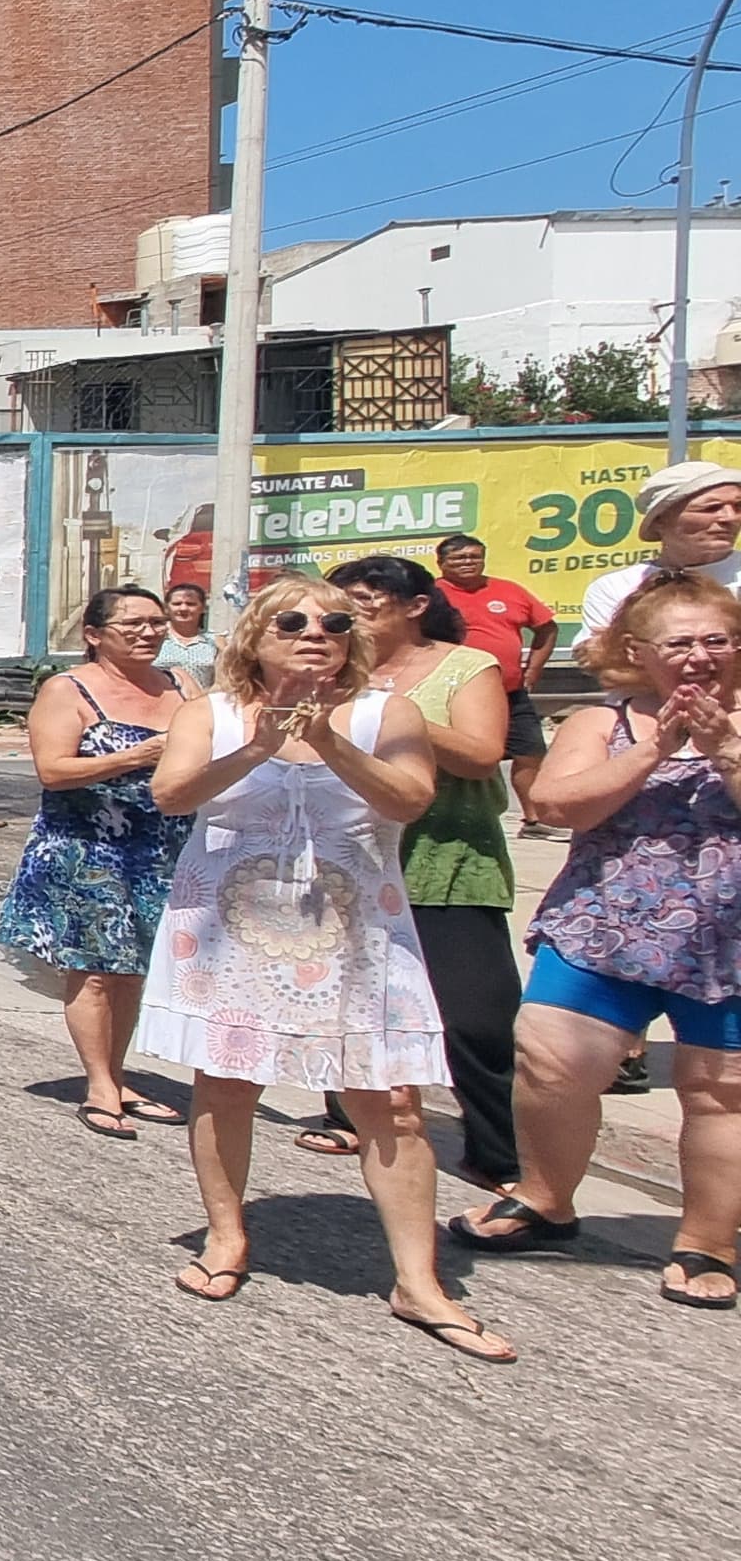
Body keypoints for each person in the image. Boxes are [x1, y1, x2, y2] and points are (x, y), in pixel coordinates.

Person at [137, 576, 508, 1361]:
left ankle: (418, 1282)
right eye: (293, 622)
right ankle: (227, 1236)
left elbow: (409, 800)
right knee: (228, 1081)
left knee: (392, 1099)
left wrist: (332, 741)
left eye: (335, 623)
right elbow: (171, 795)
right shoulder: (211, 713)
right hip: (232, 927)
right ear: (254, 639)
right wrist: (262, 745)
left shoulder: (387, 713)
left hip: (358, 933)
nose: (316, 632)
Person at [452, 570, 741, 1313]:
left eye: (717, 640)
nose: (700, 656)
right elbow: (553, 803)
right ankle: (546, 1202)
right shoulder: (597, 721)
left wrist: (725, 750)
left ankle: (709, 1240)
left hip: (728, 937)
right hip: (606, 925)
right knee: (549, 1062)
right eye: (680, 643)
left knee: (721, 1092)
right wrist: (657, 749)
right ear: (637, 650)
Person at [327, 554, 524, 1189]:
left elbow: (480, 755)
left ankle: (497, 1151)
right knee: (346, 999)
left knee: (475, 1017)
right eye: (342, 598)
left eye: (369, 595)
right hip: (350, 859)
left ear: (415, 605)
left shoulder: (464, 666)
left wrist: (390, 708)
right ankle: (348, 1114)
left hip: (446, 857)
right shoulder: (325, 666)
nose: (353, 608)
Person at [0, 586, 186, 1138]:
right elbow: (52, 770)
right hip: (87, 847)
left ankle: (120, 1074)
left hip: (160, 848)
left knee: (133, 970)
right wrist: (140, 755)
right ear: (96, 635)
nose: (149, 632)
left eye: (157, 622)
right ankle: (100, 1083)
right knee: (95, 969)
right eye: (133, 625)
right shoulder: (67, 689)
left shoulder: (181, 684)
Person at [433, 533, 555, 815]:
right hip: (458, 694)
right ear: (441, 563)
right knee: (463, 757)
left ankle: (536, 820)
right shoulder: (431, 595)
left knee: (531, 753)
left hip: (511, 692)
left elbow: (547, 628)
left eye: (474, 556)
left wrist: (533, 668)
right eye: (459, 558)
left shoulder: (509, 590)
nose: (468, 562)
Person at [574, 459, 740, 646]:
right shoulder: (615, 588)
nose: (730, 517)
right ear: (660, 521)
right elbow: (604, 662)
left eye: (738, 507)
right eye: (710, 508)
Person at [161, 580, 219, 691]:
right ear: (167, 608)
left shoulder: (214, 643)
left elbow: (221, 682)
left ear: (202, 608)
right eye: (177, 604)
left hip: (201, 703)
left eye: (190, 604)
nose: (183, 608)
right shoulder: (156, 639)